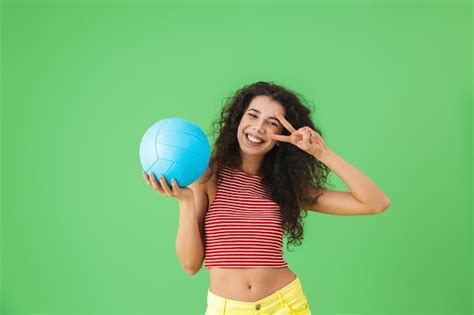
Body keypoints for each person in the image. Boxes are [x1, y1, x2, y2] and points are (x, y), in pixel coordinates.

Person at [143, 81, 391, 314]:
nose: (259, 128)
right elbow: (190, 265)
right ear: (238, 119)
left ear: (282, 134)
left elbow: (376, 203)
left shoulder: (286, 186)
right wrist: (186, 201)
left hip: (284, 304)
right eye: (253, 115)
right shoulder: (209, 175)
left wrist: (321, 152)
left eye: (272, 123)